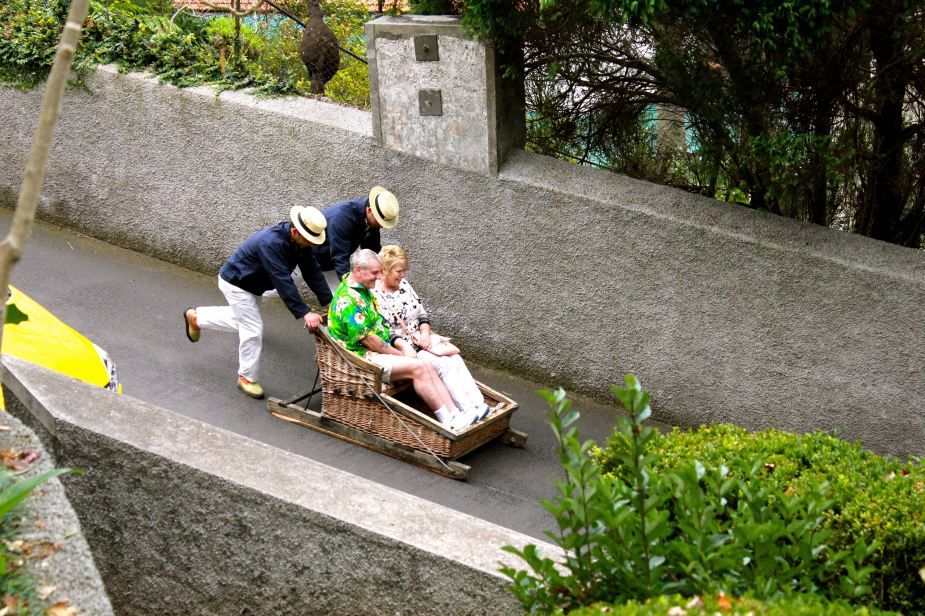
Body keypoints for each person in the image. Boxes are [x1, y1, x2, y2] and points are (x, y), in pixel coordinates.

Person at [183, 206, 331, 400]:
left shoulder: (300, 244)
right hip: (237, 284)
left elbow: (313, 272)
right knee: (252, 328)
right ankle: (246, 377)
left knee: (241, 322)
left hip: (253, 285)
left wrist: (330, 302)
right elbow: (282, 281)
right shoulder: (271, 243)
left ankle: (197, 318)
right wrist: (304, 312)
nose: (312, 245)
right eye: (309, 241)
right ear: (295, 232)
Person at [327, 249, 481, 431]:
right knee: (419, 366)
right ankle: (447, 420)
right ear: (359, 270)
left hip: (374, 352)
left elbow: (380, 330)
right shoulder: (348, 299)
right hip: (360, 358)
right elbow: (372, 341)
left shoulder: (362, 289)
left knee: (425, 364)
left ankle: (456, 414)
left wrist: (401, 346)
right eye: (375, 273)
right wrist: (400, 354)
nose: (378, 277)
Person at [373, 245, 497, 420]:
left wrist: (425, 334)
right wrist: (410, 344)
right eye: (399, 271)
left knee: (455, 358)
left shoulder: (404, 285)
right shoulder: (375, 295)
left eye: (404, 270)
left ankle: (479, 405)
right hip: (406, 348)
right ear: (385, 270)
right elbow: (384, 331)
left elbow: (422, 313)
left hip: (422, 339)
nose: (403, 275)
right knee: (443, 365)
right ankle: (467, 410)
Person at [315, 186, 399, 280]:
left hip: (330, 265)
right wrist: (350, 285)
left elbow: (372, 251)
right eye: (380, 221)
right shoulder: (342, 217)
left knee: (344, 294)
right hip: (306, 257)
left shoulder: (371, 221)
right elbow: (340, 256)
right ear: (369, 210)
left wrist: (386, 272)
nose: (382, 226)